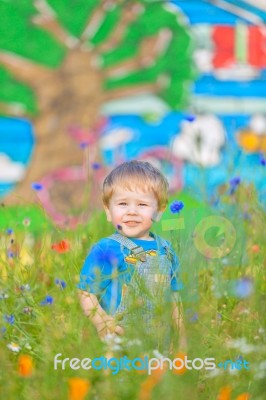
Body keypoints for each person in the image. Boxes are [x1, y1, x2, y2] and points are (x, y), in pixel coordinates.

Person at [77, 160, 186, 353]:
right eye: (122, 203)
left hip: (160, 343)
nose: (132, 211)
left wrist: (182, 338)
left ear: (159, 211)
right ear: (108, 211)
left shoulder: (167, 249)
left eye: (142, 204)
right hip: (119, 342)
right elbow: (86, 292)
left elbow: (175, 296)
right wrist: (102, 322)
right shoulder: (106, 248)